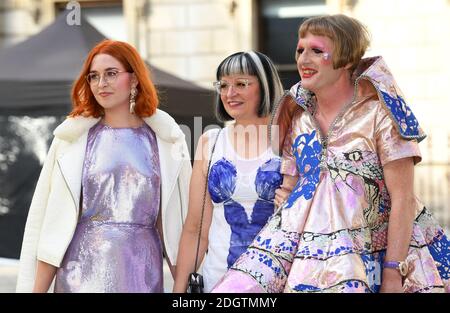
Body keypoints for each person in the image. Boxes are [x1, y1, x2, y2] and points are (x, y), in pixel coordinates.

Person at [212, 14, 449, 293]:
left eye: (316, 50)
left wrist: (393, 272)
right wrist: (287, 198)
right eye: (300, 50)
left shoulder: (380, 113)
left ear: (346, 59)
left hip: (373, 259)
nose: (303, 59)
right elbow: (290, 186)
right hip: (306, 261)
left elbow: (403, 199)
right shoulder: (296, 117)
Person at [15, 39, 191, 293]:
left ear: (134, 79)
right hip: (80, 273)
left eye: (111, 74)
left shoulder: (166, 139)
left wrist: (182, 288)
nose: (101, 83)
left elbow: (174, 225)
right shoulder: (72, 139)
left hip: (142, 271)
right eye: (94, 76)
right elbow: (51, 222)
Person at [172, 51, 285, 292]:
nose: (229, 93)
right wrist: (179, 291)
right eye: (223, 85)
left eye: (241, 84)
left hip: (277, 284)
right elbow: (195, 228)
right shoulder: (210, 142)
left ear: (264, 87)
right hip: (219, 283)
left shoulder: (290, 141)